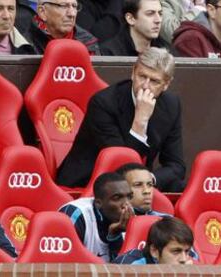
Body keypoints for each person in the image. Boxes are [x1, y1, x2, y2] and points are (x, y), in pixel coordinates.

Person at [57, 47, 186, 192]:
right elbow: (121, 166)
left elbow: (176, 165)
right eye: (142, 76)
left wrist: (150, 180)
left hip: (137, 187)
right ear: (133, 72)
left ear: (167, 84)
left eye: (154, 81)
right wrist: (140, 120)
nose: (145, 85)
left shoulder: (171, 105)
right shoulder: (103, 103)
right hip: (89, 182)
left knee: (179, 187)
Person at [59, 172, 134, 262]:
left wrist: (115, 236)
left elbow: (122, 268)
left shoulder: (131, 219)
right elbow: (66, 263)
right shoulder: (76, 214)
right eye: (117, 198)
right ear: (98, 203)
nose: (127, 204)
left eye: (129, 197)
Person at [26, 0, 100, 54]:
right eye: (64, 6)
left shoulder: (88, 42)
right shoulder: (25, 44)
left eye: (74, 6)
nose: (72, 14)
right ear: (42, 12)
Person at [113, 217, 195, 264]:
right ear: (154, 251)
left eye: (187, 251)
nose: (183, 259)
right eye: (176, 251)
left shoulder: (189, 259)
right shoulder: (130, 265)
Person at [100, 0, 168, 56]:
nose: (158, 20)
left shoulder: (166, 50)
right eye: (150, 13)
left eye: (160, 13)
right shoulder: (110, 53)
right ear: (130, 19)